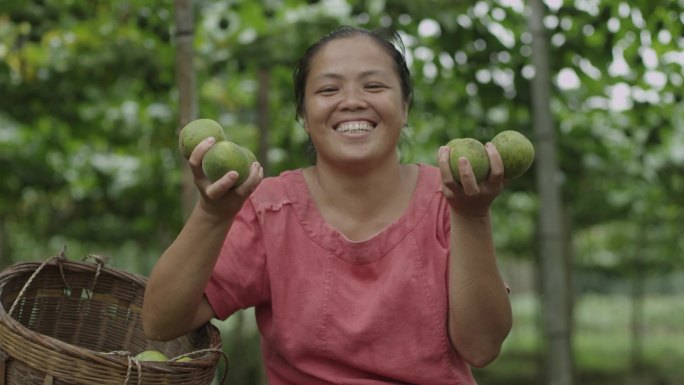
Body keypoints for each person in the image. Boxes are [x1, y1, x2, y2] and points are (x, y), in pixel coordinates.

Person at [142, 25, 512, 384]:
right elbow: (161, 322)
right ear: (304, 115)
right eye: (329, 89)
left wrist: (473, 215)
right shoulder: (269, 208)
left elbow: (481, 347)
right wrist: (212, 213)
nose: (352, 101)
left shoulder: (450, 197)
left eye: (374, 86)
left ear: (406, 106)